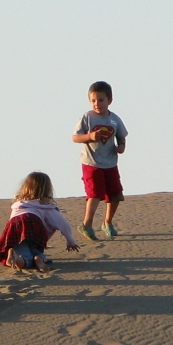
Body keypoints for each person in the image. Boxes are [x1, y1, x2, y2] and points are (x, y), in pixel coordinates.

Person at [71, 81, 129, 240]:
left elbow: (121, 136)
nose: (97, 104)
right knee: (95, 193)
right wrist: (89, 136)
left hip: (110, 162)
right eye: (93, 100)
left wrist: (121, 146)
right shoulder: (87, 117)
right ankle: (87, 224)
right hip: (91, 162)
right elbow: (75, 137)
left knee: (115, 195)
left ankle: (107, 223)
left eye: (101, 100)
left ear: (109, 100)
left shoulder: (115, 119)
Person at [0, 172, 83, 272]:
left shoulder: (18, 204)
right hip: (35, 224)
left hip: (15, 225)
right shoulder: (46, 207)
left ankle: (16, 256)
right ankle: (38, 259)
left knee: (23, 250)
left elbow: (14, 221)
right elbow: (64, 225)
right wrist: (71, 241)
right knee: (34, 251)